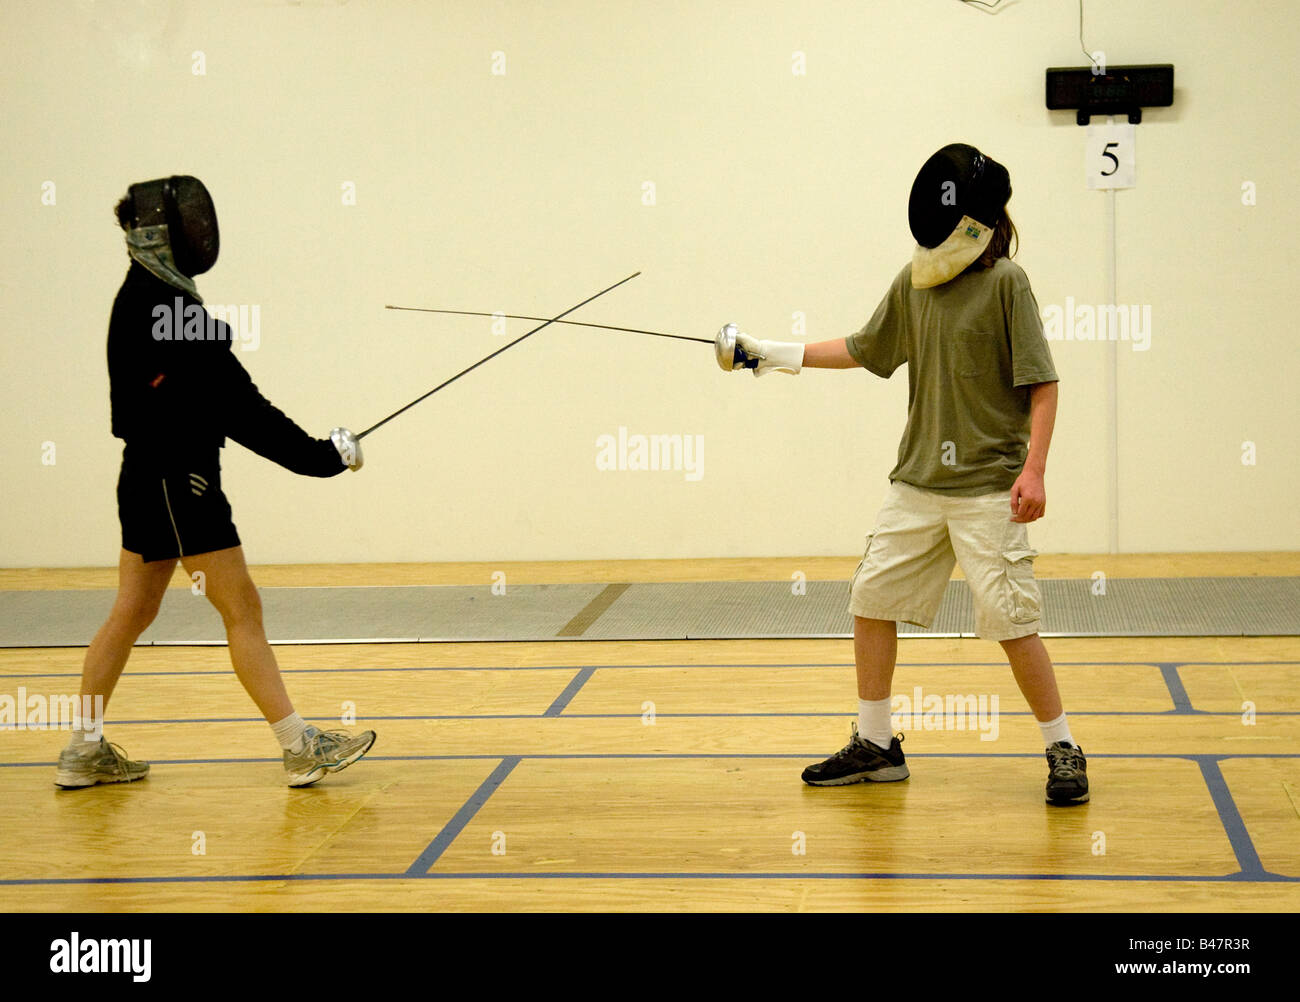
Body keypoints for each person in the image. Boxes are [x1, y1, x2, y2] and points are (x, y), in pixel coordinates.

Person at [719, 144, 1088, 805]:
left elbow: (1044, 384)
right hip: (915, 483)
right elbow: (865, 348)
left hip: (986, 487)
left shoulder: (1008, 284)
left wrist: (1034, 472)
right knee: (871, 601)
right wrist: (767, 353)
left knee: (1013, 620)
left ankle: (1062, 746)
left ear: (980, 222)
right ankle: (877, 744)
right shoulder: (915, 281)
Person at [56, 175, 376, 790]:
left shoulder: (138, 298)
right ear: (161, 236)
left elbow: (211, 395)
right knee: (241, 608)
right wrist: (321, 456)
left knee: (132, 609)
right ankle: (298, 745)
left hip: (146, 479)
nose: (199, 235)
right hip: (183, 483)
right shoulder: (173, 314)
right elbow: (240, 405)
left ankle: (83, 750)